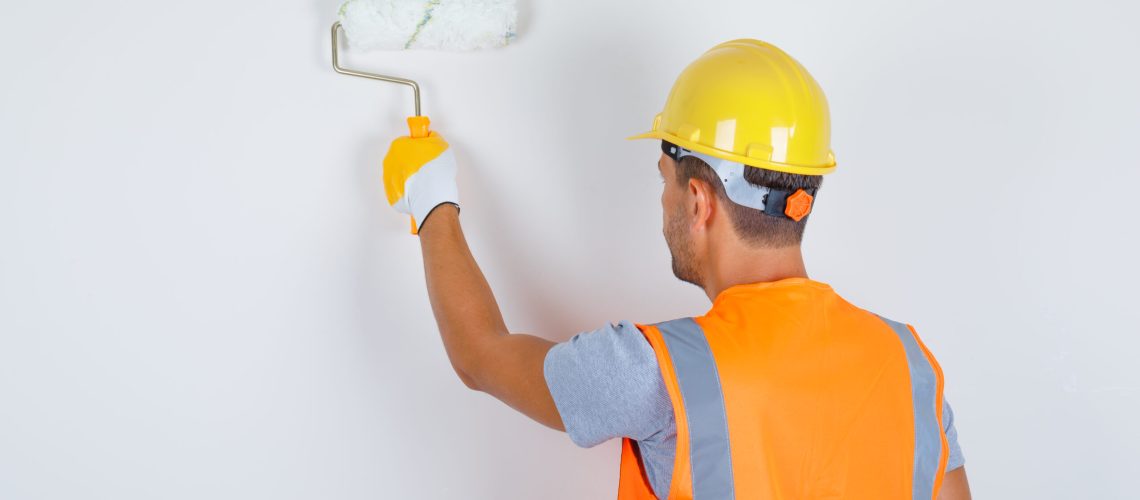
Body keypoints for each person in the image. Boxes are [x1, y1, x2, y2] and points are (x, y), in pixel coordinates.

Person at [380, 39, 971, 499]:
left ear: (698, 201)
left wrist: (432, 200)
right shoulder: (909, 364)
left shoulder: (656, 372)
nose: (663, 204)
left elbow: (481, 355)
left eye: (664, 184)